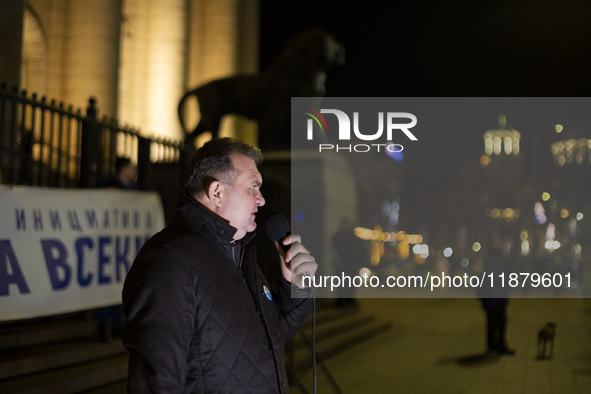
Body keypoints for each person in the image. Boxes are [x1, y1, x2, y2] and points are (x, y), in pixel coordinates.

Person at [122, 138, 317, 393]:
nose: (261, 200)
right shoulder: (169, 261)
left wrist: (297, 287)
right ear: (217, 192)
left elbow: (271, 334)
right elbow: (157, 382)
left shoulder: (236, 253)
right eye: (253, 188)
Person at [96, 157, 138, 342]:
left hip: (124, 244)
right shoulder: (107, 184)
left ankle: (117, 325)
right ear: (123, 169)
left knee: (121, 284)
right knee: (106, 285)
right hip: (108, 242)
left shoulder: (134, 189)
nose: (135, 169)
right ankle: (104, 324)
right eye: (131, 166)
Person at [480, 244, 515, 356]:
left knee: (491, 323)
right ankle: (501, 345)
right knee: (501, 322)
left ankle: (492, 346)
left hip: (489, 299)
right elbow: (502, 282)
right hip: (496, 298)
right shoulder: (497, 265)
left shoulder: (486, 264)